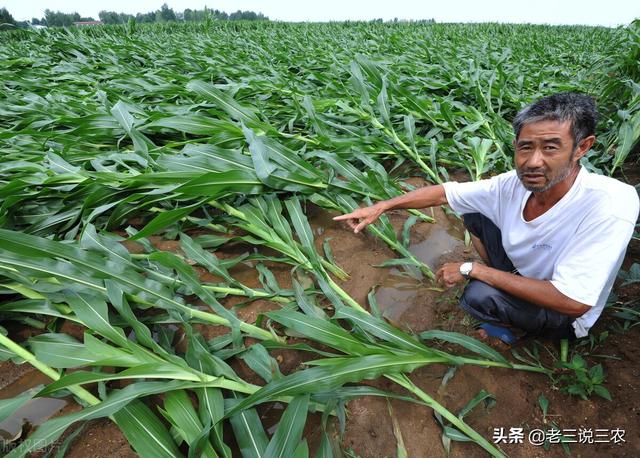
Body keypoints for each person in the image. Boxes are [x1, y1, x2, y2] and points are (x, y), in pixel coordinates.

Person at [334, 92, 639, 342]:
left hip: (564, 313)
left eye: (550, 148)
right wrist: (382, 207)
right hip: (526, 272)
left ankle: (511, 328)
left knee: (479, 294)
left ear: (581, 148)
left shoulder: (610, 204)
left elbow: (574, 301)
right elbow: (445, 193)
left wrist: (475, 270)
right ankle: (506, 286)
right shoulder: (511, 184)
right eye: (525, 147)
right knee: (475, 213)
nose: (533, 162)